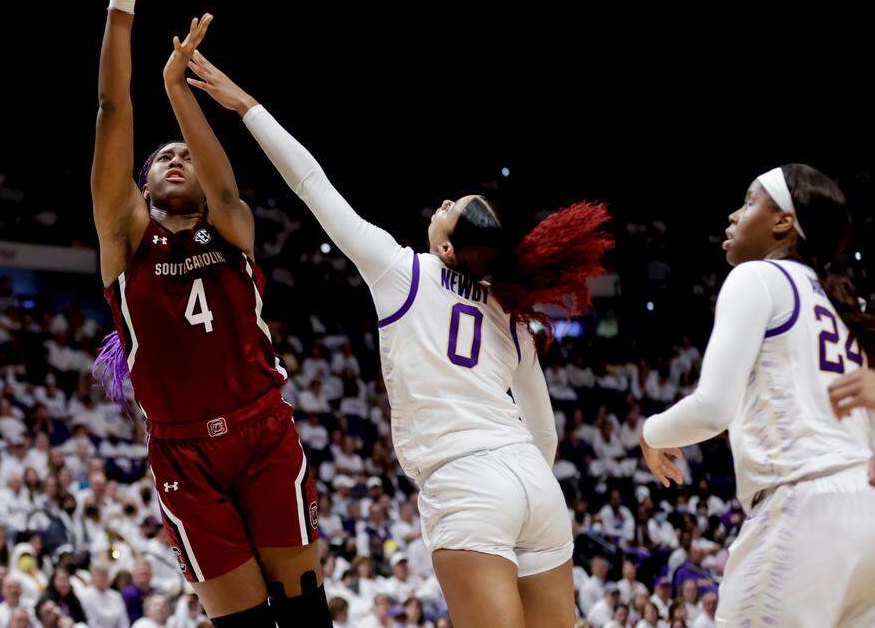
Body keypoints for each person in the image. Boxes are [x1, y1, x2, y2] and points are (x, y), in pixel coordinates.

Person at [182, 34, 613, 628]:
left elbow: (311, 184)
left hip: (466, 481)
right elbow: (545, 435)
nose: (442, 201)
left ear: (445, 245)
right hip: (536, 483)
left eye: (451, 205)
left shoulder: (402, 270)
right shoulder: (509, 309)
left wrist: (245, 106)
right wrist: (522, 478)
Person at [88, 0, 325, 628]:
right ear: (142, 185)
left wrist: (180, 91)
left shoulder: (232, 227)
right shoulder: (124, 238)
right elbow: (109, 107)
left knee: (304, 609)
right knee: (244, 619)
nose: (176, 158)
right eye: (161, 158)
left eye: (184, 153)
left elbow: (224, 187)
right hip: (182, 450)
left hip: (263, 430)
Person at [640, 164, 875, 627]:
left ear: (783, 221)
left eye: (749, 202)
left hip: (803, 509)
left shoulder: (759, 278)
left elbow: (713, 408)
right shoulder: (842, 305)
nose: (733, 214)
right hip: (864, 515)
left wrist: (650, 432)